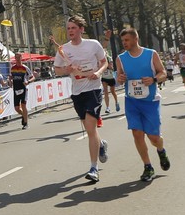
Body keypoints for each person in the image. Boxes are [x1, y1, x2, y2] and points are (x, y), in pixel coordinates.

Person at [53, 16, 110, 183]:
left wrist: (98, 73)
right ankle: (101, 144)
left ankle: (93, 168)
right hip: (77, 93)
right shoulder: (64, 49)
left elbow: (104, 62)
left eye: (73, 28)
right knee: (91, 130)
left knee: (91, 128)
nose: (70, 31)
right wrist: (67, 69)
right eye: (68, 28)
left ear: (81, 29)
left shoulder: (93, 44)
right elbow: (57, 70)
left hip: (93, 90)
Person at [114, 27, 171, 182]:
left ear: (135, 39)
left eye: (127, 40)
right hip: (132, 101)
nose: (124, 43)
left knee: (154, 137)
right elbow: (118, 78)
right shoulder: (120, 58)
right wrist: (120, 79)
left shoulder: (151, 54)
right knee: (137, 133)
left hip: (150, 102)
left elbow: (163, 73)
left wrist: (153, 79)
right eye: (122, 41)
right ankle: (148, 166)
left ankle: (161, 150)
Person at [9, 53, 31, 129]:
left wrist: (28, 82)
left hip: (23, 89)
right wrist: (10, 81)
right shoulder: (13, 68)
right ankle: (24, 115)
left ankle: (26, 123)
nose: (17, 59)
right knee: (17, 108)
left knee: (23, 105)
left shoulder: (25, 68)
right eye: (16, 57)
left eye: (19, 57)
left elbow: (33, 77)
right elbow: (10, 77)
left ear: (21, 58)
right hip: (16, 89)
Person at [99, 48, 121, 114]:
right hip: (104, 78)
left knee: (113, 91)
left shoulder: (109, 58)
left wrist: (107, 64)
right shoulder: (100, 60)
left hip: (111, 77)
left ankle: (116, 102)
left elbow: (111, 68)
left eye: (104, 53)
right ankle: (107, 108)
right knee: (106, 92)